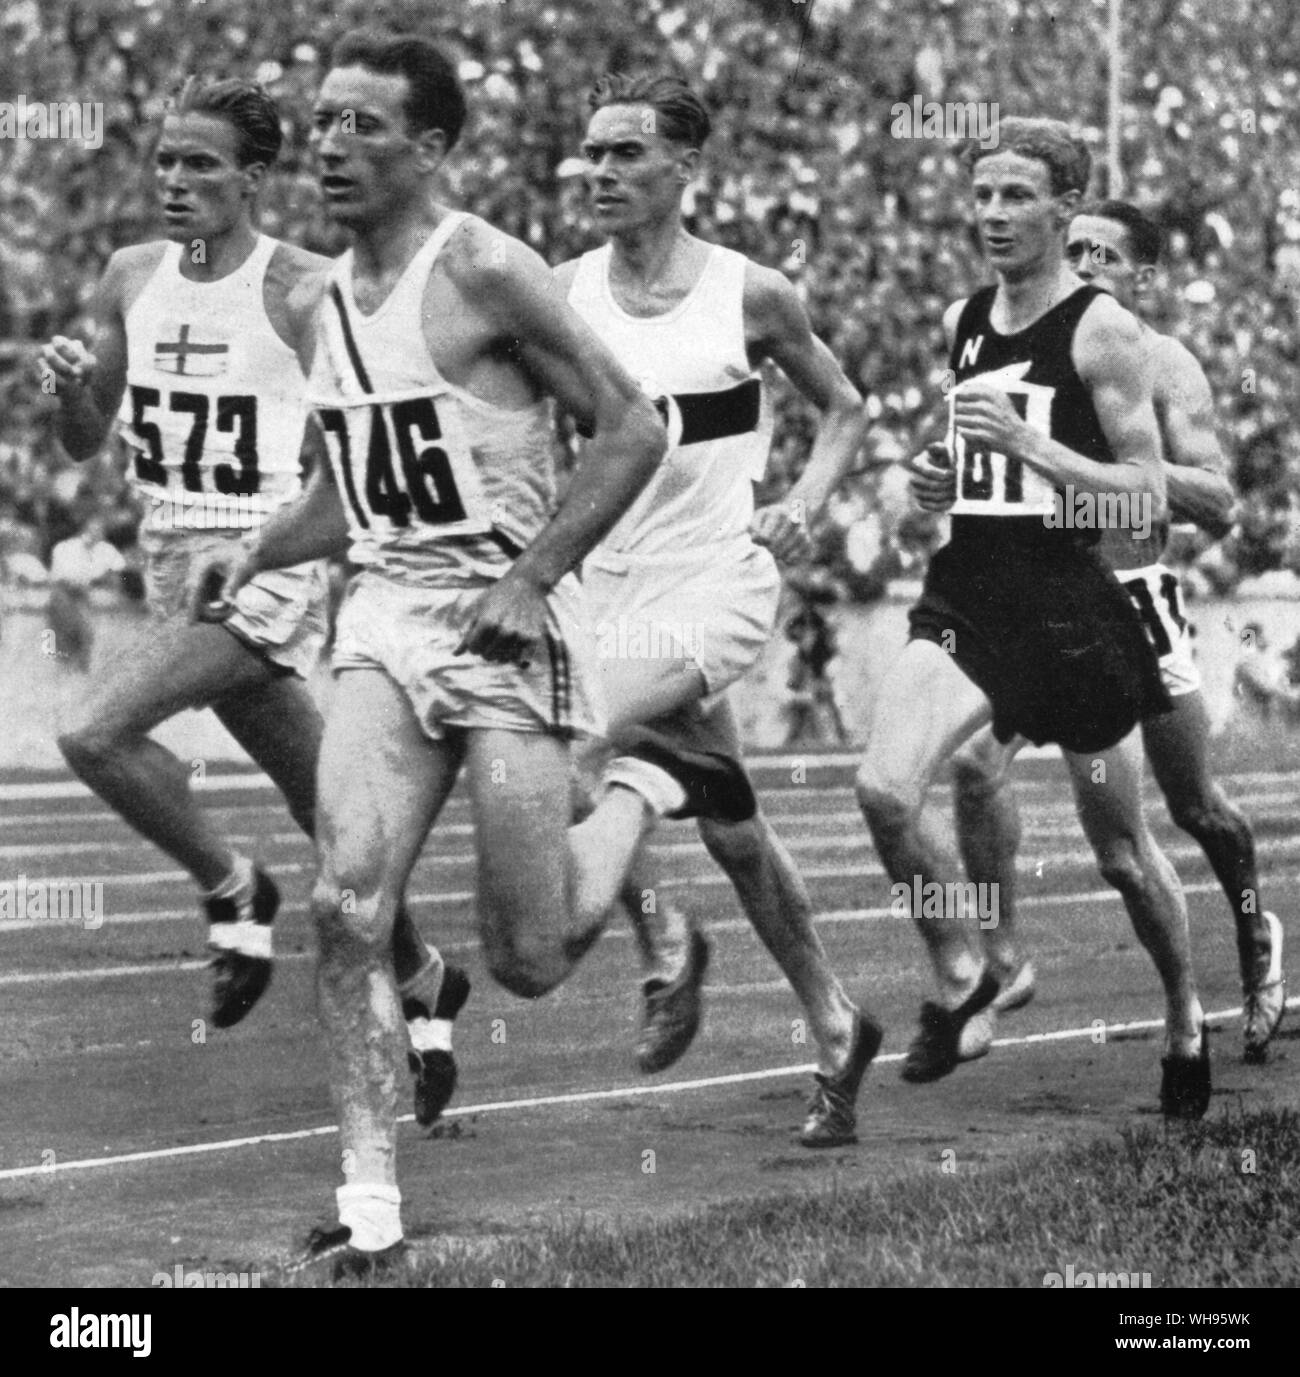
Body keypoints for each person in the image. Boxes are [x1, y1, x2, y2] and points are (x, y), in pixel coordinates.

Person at [205, 31, 745, 1278]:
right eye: (324, 123)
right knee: (347, 904)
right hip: (389, 619)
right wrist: (259, 549)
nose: (332, 147)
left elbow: (631, 427)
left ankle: (640, 794)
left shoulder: (488, 271)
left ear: (434, 147)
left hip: (505, 627)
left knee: (530, 959)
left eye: (364, 127)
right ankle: (371, 1203)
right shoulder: (311, 298)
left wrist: (530, 574)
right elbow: (354, 495)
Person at [38, 77, 467, 1124]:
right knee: (330, 810)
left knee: (93, 732)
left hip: (269, 566)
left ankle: (236, 892)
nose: (176, 182)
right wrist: (69, 390)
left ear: (255, 179)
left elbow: (363, 443)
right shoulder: (130, 274)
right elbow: (86, 439)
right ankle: (424, 981)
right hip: (175, 560)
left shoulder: (303, 290)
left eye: (202, 165)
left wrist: (328, 550)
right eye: (166, 162)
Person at [858, 118, 1210, 1116]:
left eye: (1016, 196)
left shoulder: (1103, 329)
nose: (994, 215)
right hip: (974, 584)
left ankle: (1184, 1018)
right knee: (886, 788)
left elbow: (1143, 493)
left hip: (1068, 603)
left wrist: (1030, 446)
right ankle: (976, 967)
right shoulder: (968, 316)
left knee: (1122, 855)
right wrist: (941, 474)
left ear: (1064, 207)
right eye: (982, 196)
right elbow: (979, 457)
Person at [557, 72, 879, 1148]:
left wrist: (804, 499)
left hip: (719, 578)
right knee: (737, 830)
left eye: (623, 154)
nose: (597, 172)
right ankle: (835, 1025)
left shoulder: (752, 294)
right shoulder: (558, 298)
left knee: (577, 739)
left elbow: (843, 407)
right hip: (604, 588)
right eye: (590, 153)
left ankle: (661, 943)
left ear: (684, 169)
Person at [940, 202, 1286, 1063]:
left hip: (1134, 597)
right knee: (977, 764)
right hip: (1041, 596)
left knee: (1196, 809)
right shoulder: (1022, 337)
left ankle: (1253, 938)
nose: (1086, 262)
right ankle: (1002, 957)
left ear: (1143, 278)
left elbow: (1221, 505)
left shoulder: (1161, 362)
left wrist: (1099, 448)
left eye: (1107, 253)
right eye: (1079, 246)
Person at [47, 514, 126, 671]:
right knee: (67, 638)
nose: (95, 532)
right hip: (64, 596)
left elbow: (121, 571)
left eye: (99, 529)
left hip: (89, 598)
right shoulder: (65, 548)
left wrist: (105, 578)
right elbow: (60, 577)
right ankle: (67, 669)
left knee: (87, 636)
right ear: (82, 529)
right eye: (92, 528)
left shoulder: (107, 549)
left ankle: (82, 670)